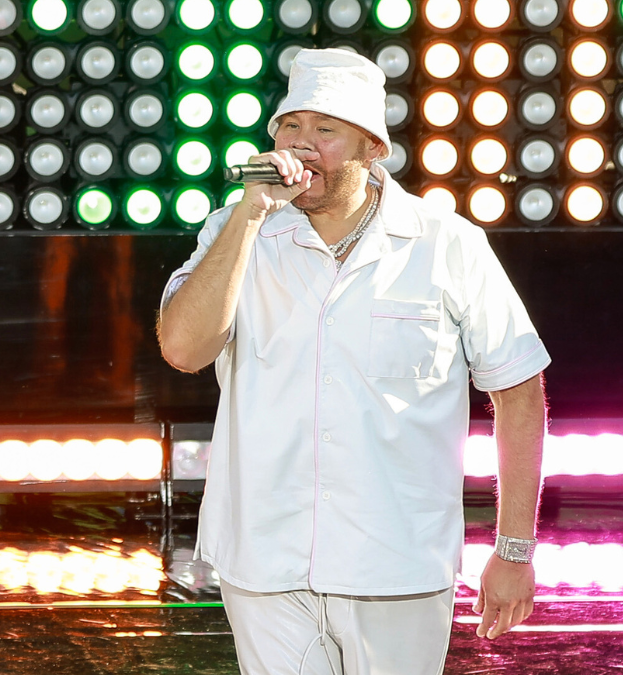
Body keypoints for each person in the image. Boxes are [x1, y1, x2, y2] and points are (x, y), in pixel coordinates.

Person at [157, 49, 551, 674]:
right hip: (264, 559)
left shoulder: (447, 243)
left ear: (373, 149)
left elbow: (519, 392)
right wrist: (249, 215)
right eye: (291, 126)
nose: (302, 144)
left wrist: (514, 548)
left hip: (396, 565)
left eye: (325, 129)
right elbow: (183, 349)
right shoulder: (234, 231)